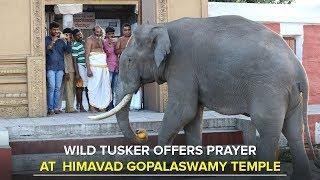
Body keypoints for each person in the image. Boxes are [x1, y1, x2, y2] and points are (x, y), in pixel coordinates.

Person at [45, 22, 72, 115]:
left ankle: (56, 108)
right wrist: (54, 40)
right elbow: (47, 50)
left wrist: (68, 40)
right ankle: (50, 108)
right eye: (54, 29)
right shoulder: (46, 39)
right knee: (51, 87)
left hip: (60, 68)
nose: (56, 31)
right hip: (50, 68)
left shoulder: (61, 41)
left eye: (57, 29)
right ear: (50, 30)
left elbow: (68, 51)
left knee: (57, 88)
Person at [85, 26, 112, 112]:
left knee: (103, 87)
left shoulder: (101, 40)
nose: (98, 33)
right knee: (93, 87)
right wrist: (88, 69)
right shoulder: (89, 40)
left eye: (99, 32)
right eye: (96, 32)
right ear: (93, 31)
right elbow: (87, 55)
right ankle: (92, 107)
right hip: (94, 67)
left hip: (103, 67)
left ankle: (101, 106)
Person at [59, 28, 77, 113]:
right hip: (68, 69)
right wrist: (66, 71)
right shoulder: (63, 43)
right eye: (67, 34)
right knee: (68, 89)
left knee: (72, 89)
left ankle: (68, 107)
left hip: (72, 69)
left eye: (70, 35)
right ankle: (70, 108)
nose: (69, 36)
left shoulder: (71, 43)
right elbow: (65, 58)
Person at [72, 29, 90, 112]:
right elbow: (74, 60)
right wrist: (77, 73)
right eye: (78, 35)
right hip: (80, 66)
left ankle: (90, 105)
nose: (80, 36)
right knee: (80, 87)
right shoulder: (75, 45)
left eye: (80, 34)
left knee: (87, 87)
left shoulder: (83, 43)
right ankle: (80, 106)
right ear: (74, 37)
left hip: (86, 66)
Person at [103, 27, 119, 109]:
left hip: (116, 67)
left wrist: (116, 43)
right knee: (108, 87)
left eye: (112, 34)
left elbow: (118, 52)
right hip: (108, 67)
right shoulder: (104, 42)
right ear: (106, 34)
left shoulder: (116, 42)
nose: (111, 35)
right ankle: (108, 104)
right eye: (109, 34)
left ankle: (113, 104)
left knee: (115, 87)